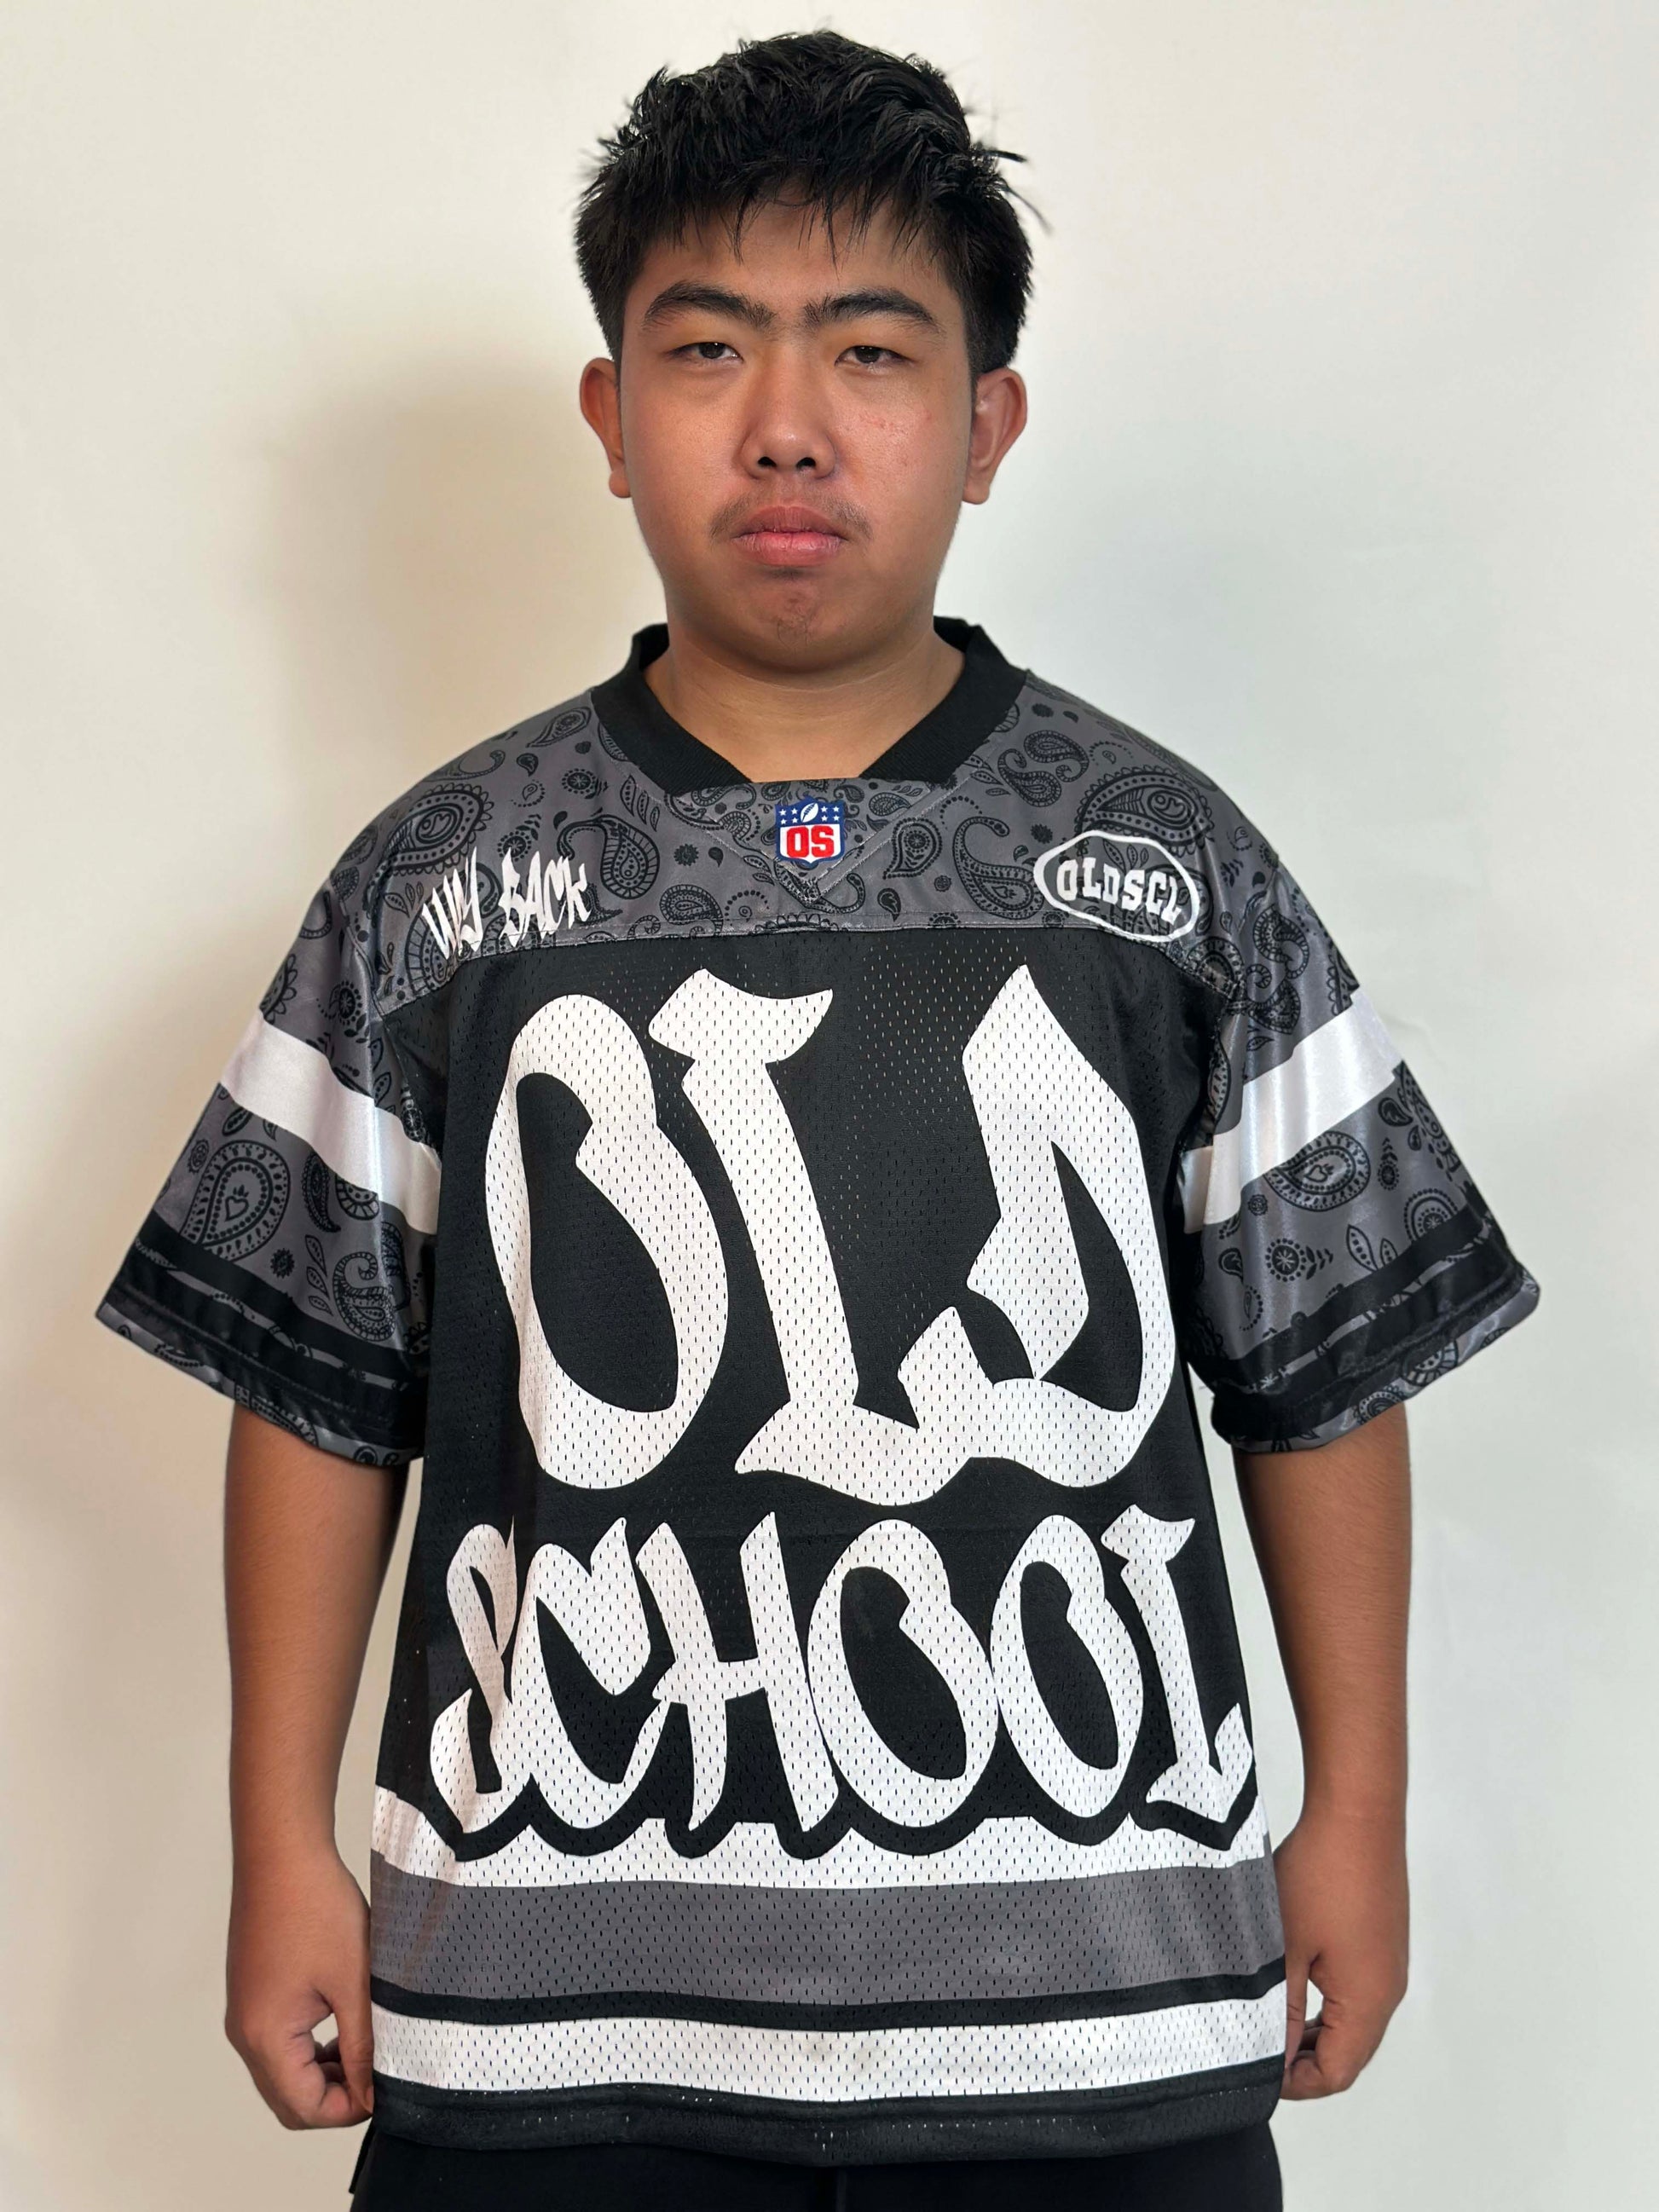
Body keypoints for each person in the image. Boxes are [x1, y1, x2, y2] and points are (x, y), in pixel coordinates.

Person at [96, 30, 1540, 2212]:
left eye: (871, 351)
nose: (787, 423)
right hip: (542, 2014)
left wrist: (1357, 1812)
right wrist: (277, 1840)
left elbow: (1325, 1367)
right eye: (709, 349)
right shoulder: (437, 889)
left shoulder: (1164, 867)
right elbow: (312, 1386)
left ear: (985, 424)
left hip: (1100, 2009)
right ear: (611, 417)